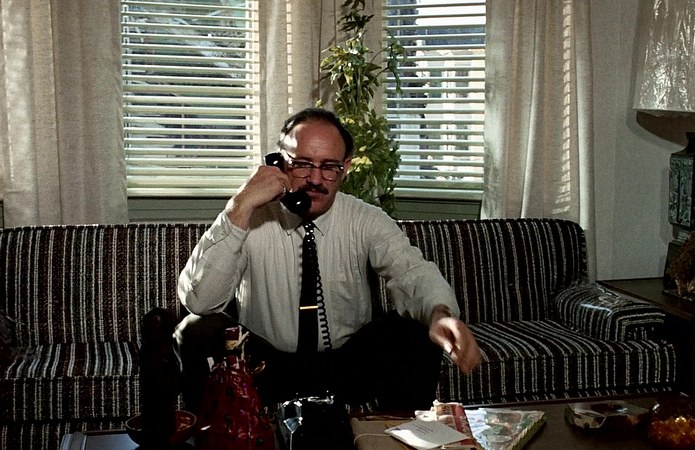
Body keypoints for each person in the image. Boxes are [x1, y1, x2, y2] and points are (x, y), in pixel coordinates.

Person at [175, 107, 482, 414]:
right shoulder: (251, 216)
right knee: (195, 328)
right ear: (279, 162)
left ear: (345, 168)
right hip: (266, 366)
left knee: (414, 331)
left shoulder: (365, 219)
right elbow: (199, 302)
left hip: (345, 366)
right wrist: (239, 206)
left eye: (329, 167)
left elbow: (411, 272)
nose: (315, 179)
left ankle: (396, 434)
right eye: (302, 164)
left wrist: (440, 313)